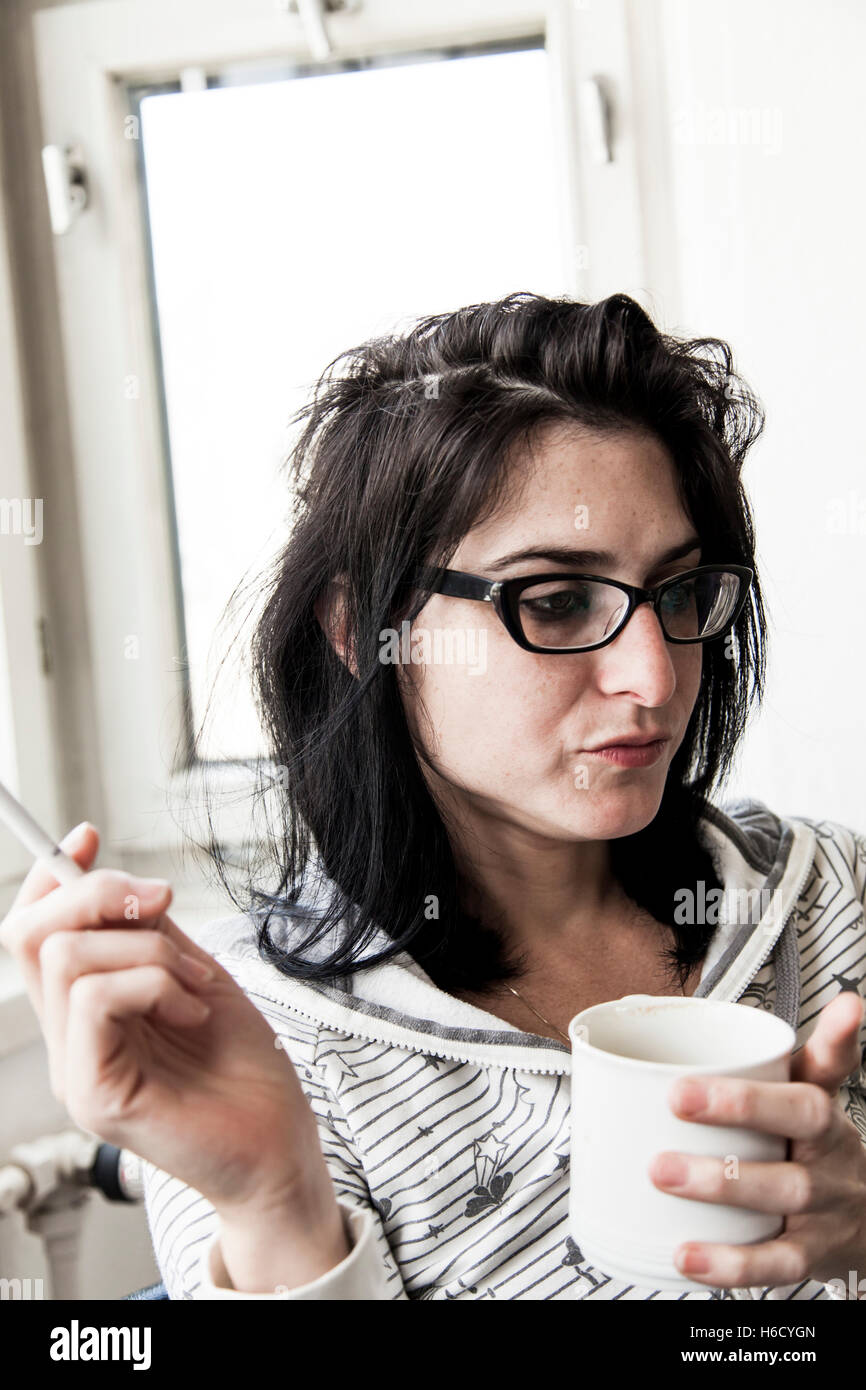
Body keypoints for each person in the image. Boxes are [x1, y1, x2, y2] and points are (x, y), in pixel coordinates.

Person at [3, 292, 865, 1301]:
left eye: (676, 594)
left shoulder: (821, 900)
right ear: (359, 625)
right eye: (554, 600)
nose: (653, 676)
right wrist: (278, 1206)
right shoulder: (245, 1038)